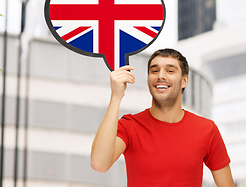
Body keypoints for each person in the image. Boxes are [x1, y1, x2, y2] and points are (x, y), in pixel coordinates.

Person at [91, 48, 235, 187]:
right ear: (148, 80)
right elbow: (99, 164)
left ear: (184, 81)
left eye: (170, 70)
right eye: (154, 70)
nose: (161, 75)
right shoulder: (129, 125)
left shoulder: (206, 130)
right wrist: (116, 96)